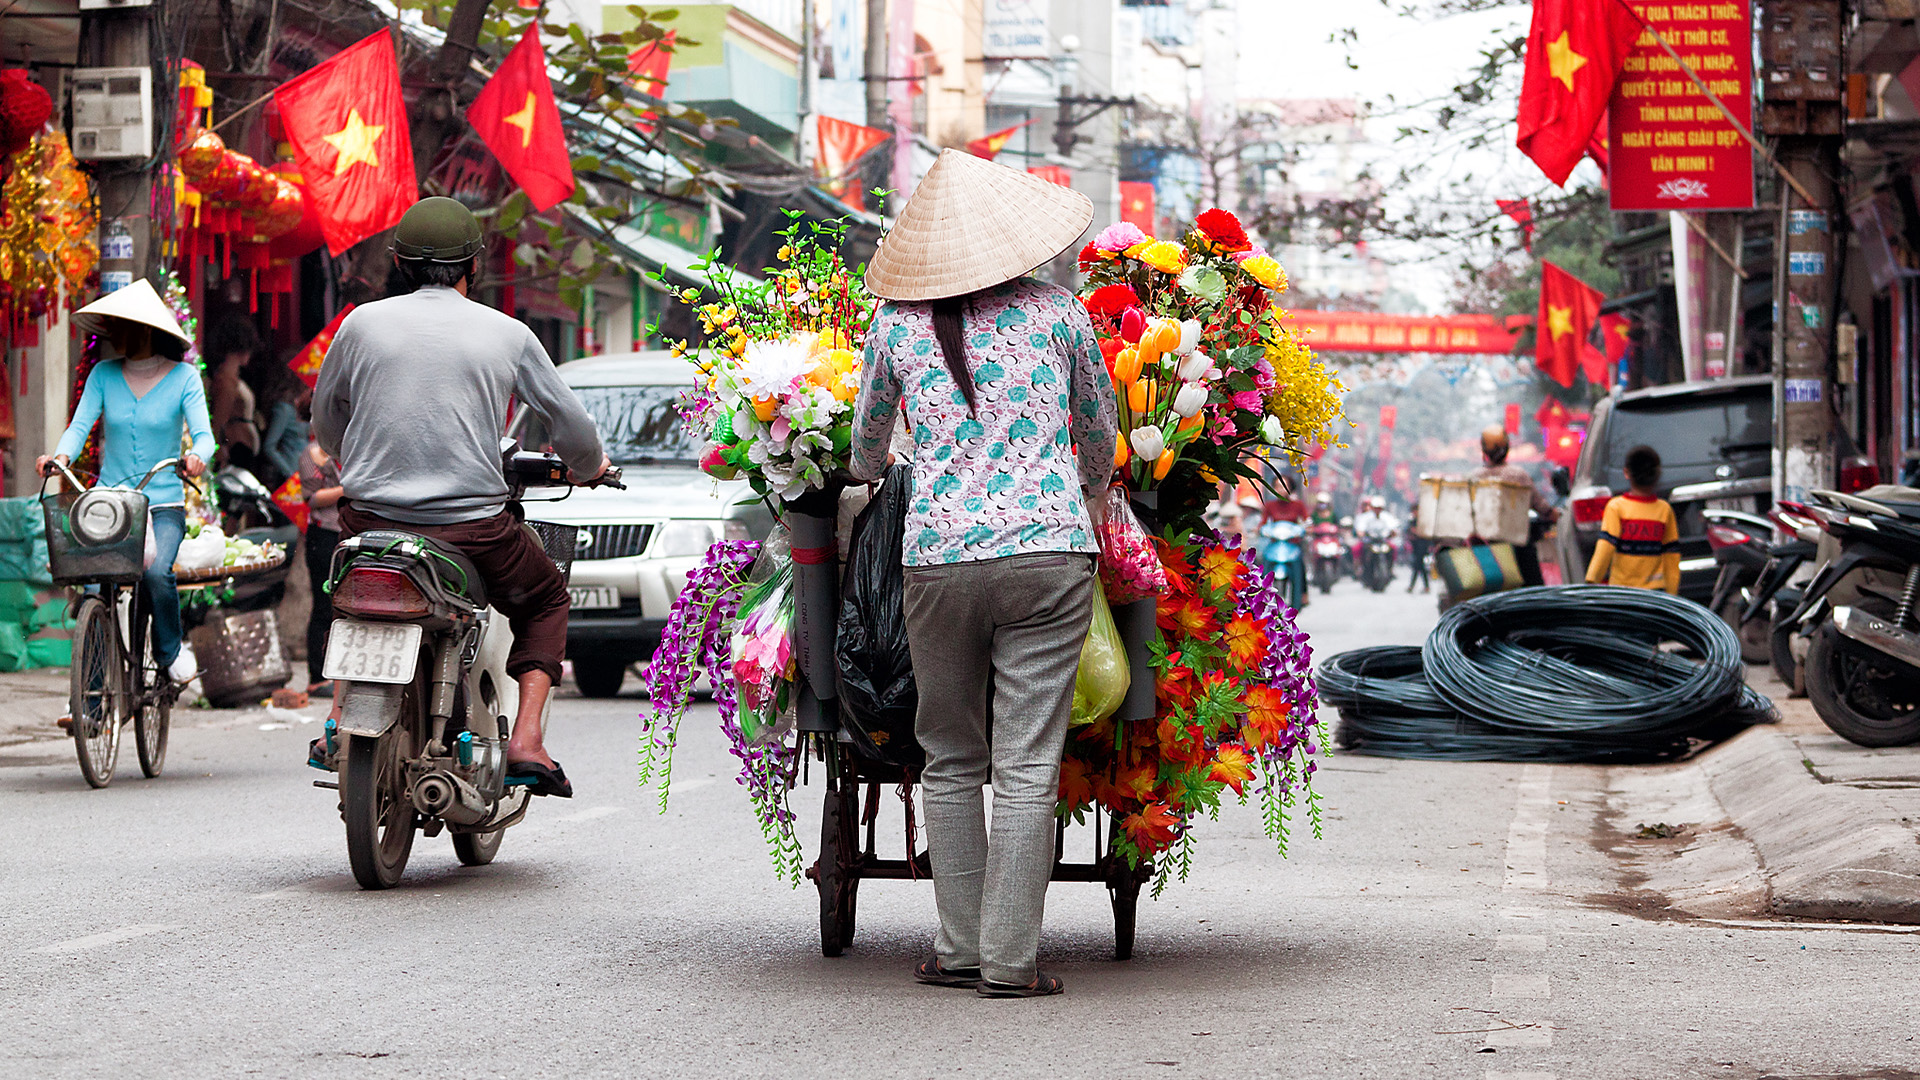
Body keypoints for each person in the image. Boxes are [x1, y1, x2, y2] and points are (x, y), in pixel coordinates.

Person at [850, 149, 1117, 998]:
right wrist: (1087, 495)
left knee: (951, 756)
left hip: (936, 559)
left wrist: (896, 462)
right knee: (1029, 762)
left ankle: (960, 949)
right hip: (1048, 555)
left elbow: (865, 450)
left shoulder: (894, 324)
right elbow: (1097, 434)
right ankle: (1010, 963)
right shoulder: (1061, 314)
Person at [311, 196, 609, 798]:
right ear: (475, 264)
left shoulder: (358, 324)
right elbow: (573, 430)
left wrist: (361, 459)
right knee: (546, 596)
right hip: (472, 532)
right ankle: (526, 739)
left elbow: (326, 421)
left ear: (398, 262)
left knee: (351, 599)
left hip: (368, 521)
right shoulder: (508, 332)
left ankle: (340, 719)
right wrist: (589, 467)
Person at [37, 280, 213, 685]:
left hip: (163, 505)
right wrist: (59, 458)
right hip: (111, 508)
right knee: (93, 586)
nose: (118, 334)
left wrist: (197, 457)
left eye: (128, 325)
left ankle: (169, 652)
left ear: (150, 330)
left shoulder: (184, 377)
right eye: (116, 325)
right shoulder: (103, 374)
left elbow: (203, 435)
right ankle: (92, 697)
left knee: (156, 575)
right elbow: (80, 425)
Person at [1584, 444, 1680, 593]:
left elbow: (1605, 548)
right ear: (1657, 474)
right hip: (1656, 592)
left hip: (1622, 591)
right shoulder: (1664, 510)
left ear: (1626, 473)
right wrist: (1673, 594)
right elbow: (1671, 557)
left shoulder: (1616, 507)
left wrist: (1592, 580)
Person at [1472, 425, 1559, 587]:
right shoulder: (1518, 475)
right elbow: (1542, 507)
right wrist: (1557, 516)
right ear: (1507, 448)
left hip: (1485, 549)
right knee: (1535, 590)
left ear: (1484, 450)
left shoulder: (1474, 477)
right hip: (1519, 547)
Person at [299, 438, 343, 698]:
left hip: (343, 534)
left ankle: (334, 674)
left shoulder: (346, 448)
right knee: (323, 605)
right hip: (323, 535)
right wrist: (346, 489)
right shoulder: (312, 453)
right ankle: (316, 678)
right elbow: (312, 498)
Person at [206, 316, 261, 472]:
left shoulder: (230, 378)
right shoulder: (226, 381)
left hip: (240, 445)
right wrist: (218, 450)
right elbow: (219, 421)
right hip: (236, 447)